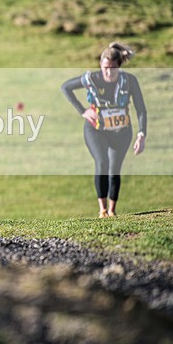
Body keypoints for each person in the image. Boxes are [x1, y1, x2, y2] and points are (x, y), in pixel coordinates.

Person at [61, 43, 147, 218]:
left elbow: (141, 109)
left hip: (122, 131)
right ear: (100, 65)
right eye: (105, 68)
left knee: (114, 168)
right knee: (102, 163)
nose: (108, 72)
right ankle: (102, 210)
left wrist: (141, 135)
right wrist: (83, 111)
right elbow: (66, 87)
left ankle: (112, 211)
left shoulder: (129, 81)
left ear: (119, 66)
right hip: (96, 130)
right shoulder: (92, 78)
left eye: (113, 69)